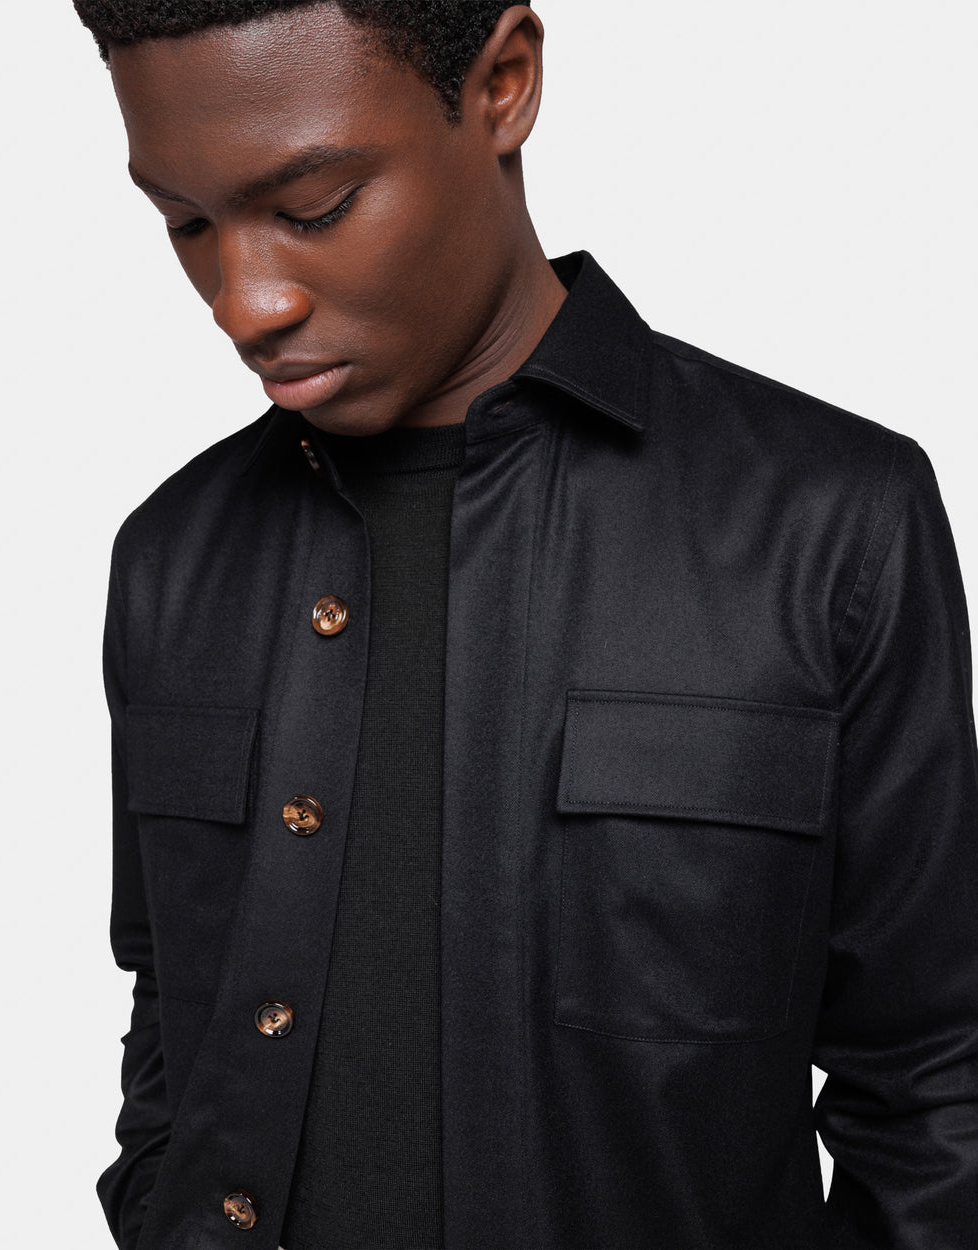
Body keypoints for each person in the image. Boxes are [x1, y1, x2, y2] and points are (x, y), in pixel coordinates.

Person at [74, 2, 978, 1248]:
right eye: (184, 221)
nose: (244, 302)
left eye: (313, 207)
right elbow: (172, 1002)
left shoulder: (828, 523)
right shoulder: (171, 556)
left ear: (502, 83)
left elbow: (937, 1083)